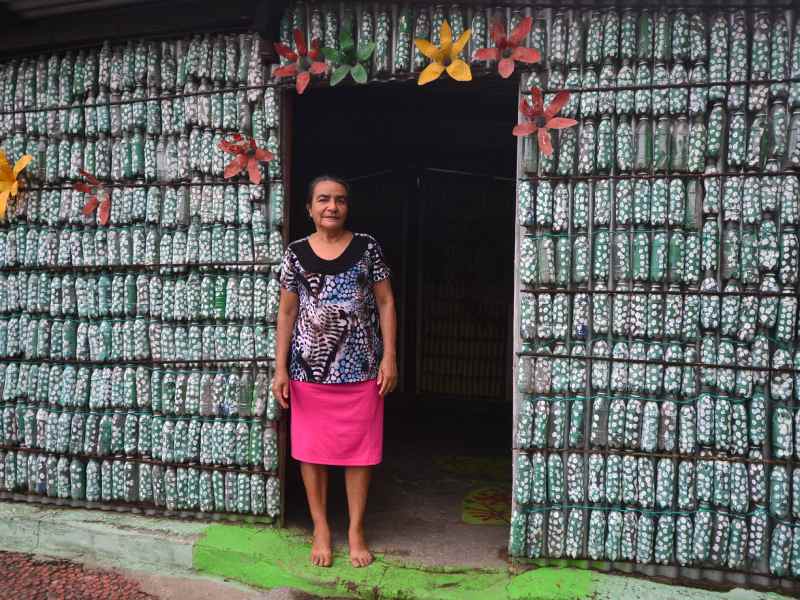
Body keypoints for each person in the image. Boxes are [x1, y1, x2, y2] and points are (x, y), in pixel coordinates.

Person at [273, 175, 398, 568]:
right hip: (308, 373)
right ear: (309, 208)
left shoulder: (367, 248)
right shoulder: (295, 253)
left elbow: (386, 302)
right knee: (312, 452)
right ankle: (321, 527)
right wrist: (280, 368)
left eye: (340, 200)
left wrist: (389, 356)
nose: (332, 207)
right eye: (323, 200)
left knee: (359, 454)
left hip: (362, 369)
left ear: (347, 207)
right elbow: (288, 311)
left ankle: (356, 529)